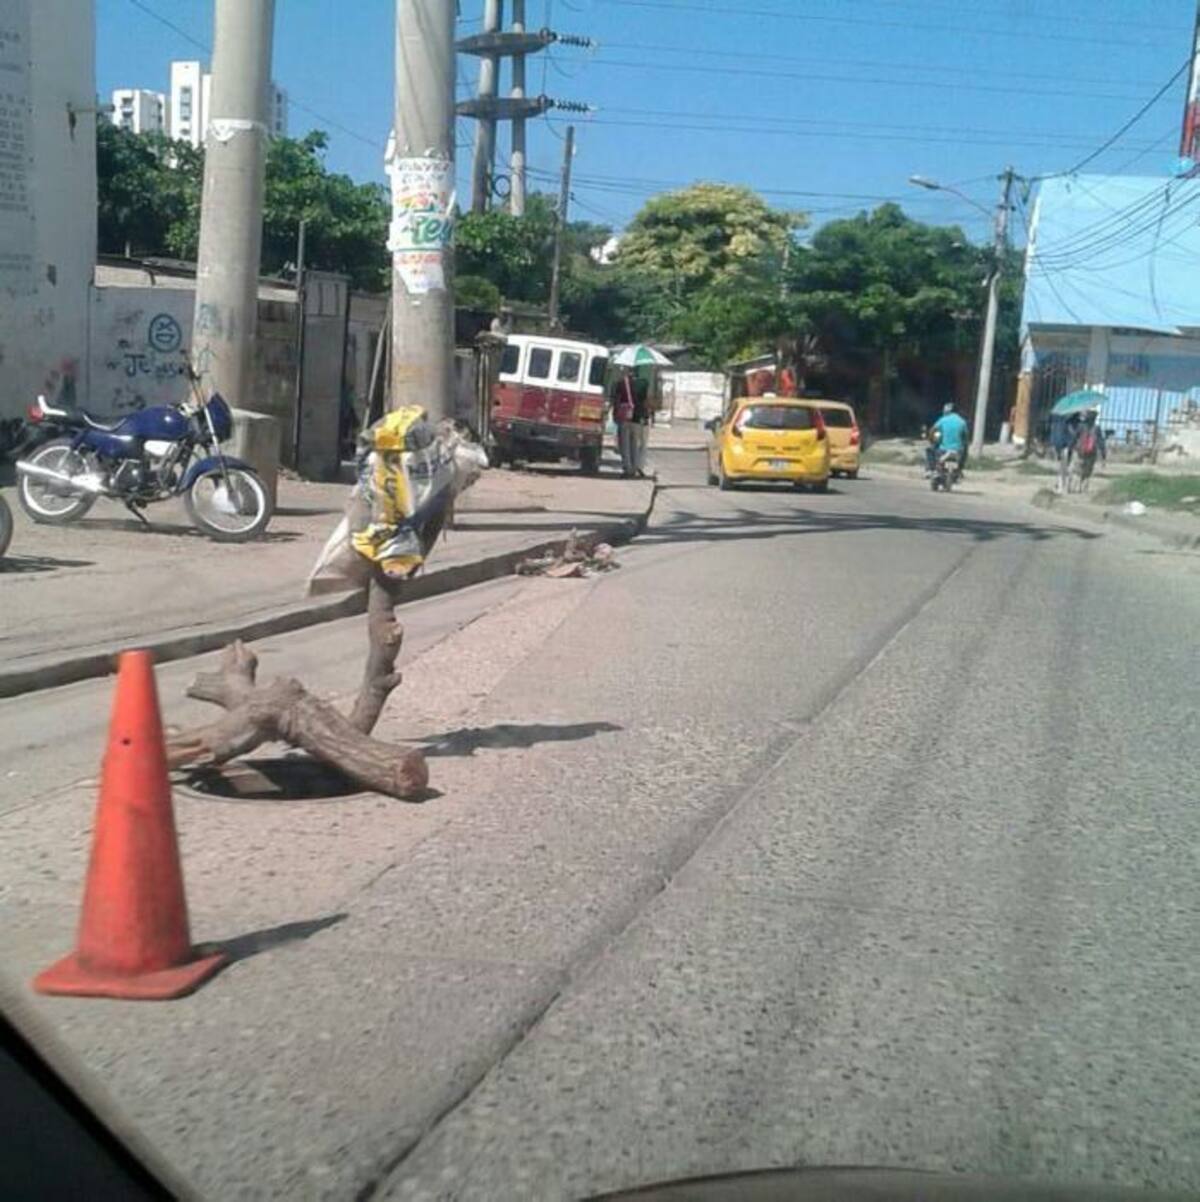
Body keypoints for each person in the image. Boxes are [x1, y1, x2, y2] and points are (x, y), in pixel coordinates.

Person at [926, 402, 969, 475]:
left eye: (945, 411)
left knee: (929, 449)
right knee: (965, 450)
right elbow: (965, 437)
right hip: (957, 451)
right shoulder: (962, 421)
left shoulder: (943, 420)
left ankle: (930, 469)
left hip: (943, 450)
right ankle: (959, 470)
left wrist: (931, 440)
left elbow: (932, 430)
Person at [1071, 409, 1106, 492]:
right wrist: (1103, 455)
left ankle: (1076, 487)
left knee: (1078, 470)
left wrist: (1071, 447)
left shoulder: (1081, 426)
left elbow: (1074, 438)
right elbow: (1101, 442)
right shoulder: (1097, 428)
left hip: (1080, 452)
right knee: (1087, 471)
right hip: (1091, 452)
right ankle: (1084, 488)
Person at [1049, 410, 1080, 494]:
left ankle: (1060, 486)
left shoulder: (1056, 418)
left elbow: (1053, 431)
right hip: (1067, 445)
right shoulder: (1072, 420)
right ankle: (1066, 487)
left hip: (1058, 444)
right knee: (1069, 467)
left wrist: (1052, 443)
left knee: (1061, 467)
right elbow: (1074, 434)